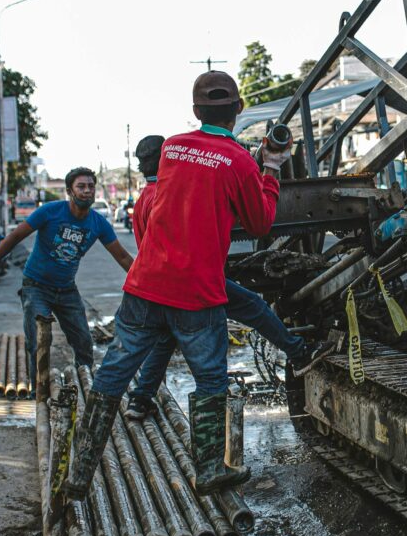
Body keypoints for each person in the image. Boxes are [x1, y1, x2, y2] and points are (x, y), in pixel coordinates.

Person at [64, 71, 290, 502]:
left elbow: (190, 186)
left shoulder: (171, 148)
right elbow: (260, 223)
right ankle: (207, 470)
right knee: (210, 380)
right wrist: (271, 167)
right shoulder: (241, 161)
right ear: (238, 110)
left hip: (144, 286)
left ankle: (80, 471)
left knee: (112, 375)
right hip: (196, 294)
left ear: (195, 111)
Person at [123, 133, 334, 421]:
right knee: (254, 309)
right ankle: (298, 353)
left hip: (163, 284)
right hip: (194, 281)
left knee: (165, 339)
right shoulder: (167, 193)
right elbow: (247, 220)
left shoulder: (145, 199)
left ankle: (139, 399)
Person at [0, 167, 135, 379]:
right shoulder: (50, 212)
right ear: (69, 191)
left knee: (84, 343)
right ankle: (37, 390)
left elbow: (122, 256)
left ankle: (83, 387)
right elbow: (14, 237)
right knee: (39, 341)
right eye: (81, 186)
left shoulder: (98, 223)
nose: (87, 191)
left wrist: (145, 284)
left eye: (91, 187)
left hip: (67, 290)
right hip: (36, 287)